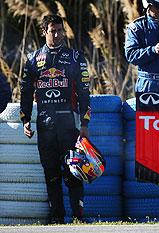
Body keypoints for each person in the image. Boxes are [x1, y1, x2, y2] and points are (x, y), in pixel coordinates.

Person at [20, 15, 91, 224]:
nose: (59, 35)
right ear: (44, 32)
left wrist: (85, 124)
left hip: (69, 125)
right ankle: (56, 218)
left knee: (74, 171)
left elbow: (85, 93)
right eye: (54, 31)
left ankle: (79, 217)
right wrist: (25, 119)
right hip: (45, 125)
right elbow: (25, 91)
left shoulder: (75, 57)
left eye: (61, 30)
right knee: (51, 173)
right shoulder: (33, 59)